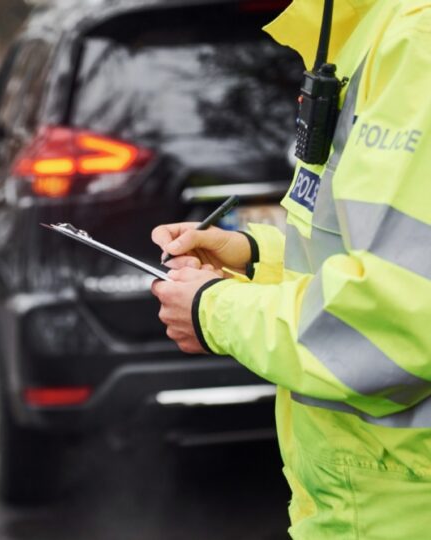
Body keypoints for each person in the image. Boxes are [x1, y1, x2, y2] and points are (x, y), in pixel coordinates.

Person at [150, 0, 431, 537]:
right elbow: (378, 257)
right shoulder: (363, 38)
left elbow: (394, 322)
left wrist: (214, 309)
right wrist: (254, 257)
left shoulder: (415, 44)